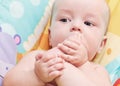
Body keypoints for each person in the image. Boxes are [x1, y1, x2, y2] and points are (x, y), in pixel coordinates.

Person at [3, 0, 112, 86]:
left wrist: (82, 64)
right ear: (50, 36)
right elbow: (8, 83)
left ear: (101, 44)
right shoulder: (38, 59)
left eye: (88, 23)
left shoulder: (97, 71)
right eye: (65, 20)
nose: (76, 26)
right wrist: (36, 76)